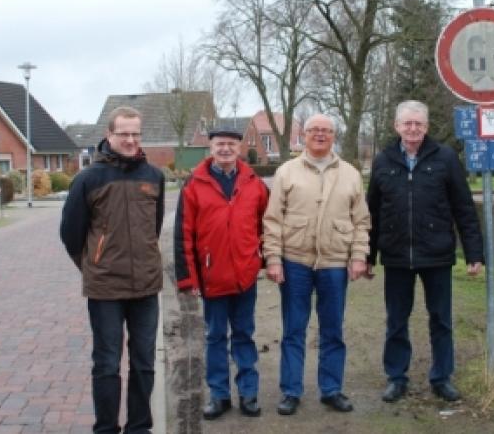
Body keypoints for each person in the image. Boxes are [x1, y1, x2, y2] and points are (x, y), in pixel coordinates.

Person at [366, 100, 484, 404]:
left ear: (427, 127)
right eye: (407, 123)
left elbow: (463, 208)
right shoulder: (383, 161)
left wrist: (474, 253)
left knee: (441, 319)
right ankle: (396, 376)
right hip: (396, 256)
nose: (413, 128)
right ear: (396, 126)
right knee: (396, 319)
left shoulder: (445, 158)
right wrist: (368, 257)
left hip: (437, 254)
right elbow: (372, 214)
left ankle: (442, 377)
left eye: (418, 123)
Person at [60, 106, 165, 434]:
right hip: (105, 289)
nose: (131, 140)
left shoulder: (153, 177)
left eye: (136, 134)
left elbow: (155, 227)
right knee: (106, 364)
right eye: (124, 134)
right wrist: (93, 266)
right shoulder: (89, 178)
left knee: (144, 363)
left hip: (146, 286)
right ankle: (106, 428)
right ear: (109, 135)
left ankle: (139, 427)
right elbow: (71, 233)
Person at [262, 114, 371, 416]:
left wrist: (359, 256)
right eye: (314, 130)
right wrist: (273, 258)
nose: (321, 135)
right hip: (295, 261)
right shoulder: (287, 171)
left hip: (335, 263)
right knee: (294, 329)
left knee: (332, 329)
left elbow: (361, 221)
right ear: (304, 135)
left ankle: (331, 389)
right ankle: (291, 391)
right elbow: (272, 220)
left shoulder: (350, 174)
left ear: (334, 135)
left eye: (327, 131)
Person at [173, 127, 269, 420]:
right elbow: (183, 234)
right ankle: (219, 395)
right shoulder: (194, 185)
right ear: (210, 148)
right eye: (219, 144)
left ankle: (248, 393)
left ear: (239, 148)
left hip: (244, 277)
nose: (225, 149)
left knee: (244, 335)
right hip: (212, 278)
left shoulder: (255, 184)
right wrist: (187, 277)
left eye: (230, 144)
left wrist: (258, 258)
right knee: (215, 337)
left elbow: (267, 226)